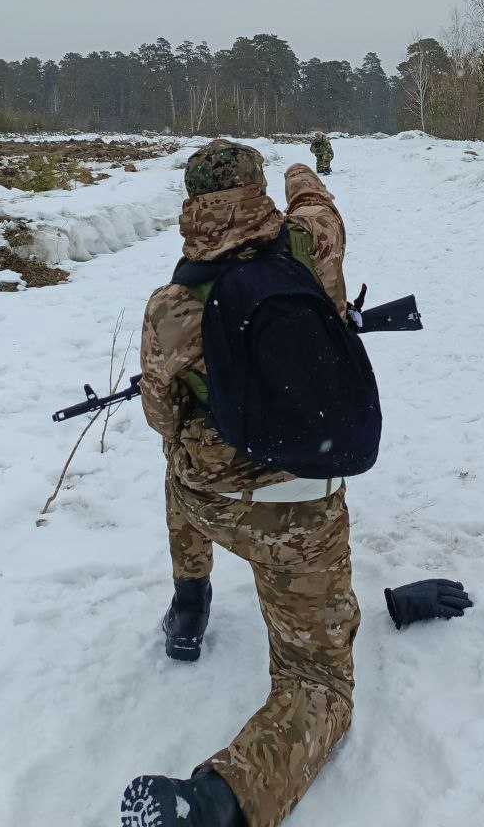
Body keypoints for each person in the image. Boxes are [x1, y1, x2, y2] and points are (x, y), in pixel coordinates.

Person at [121, 140, 359, 827]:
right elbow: (319, 204)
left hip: (214, 507)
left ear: (192, 204)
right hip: (301, 515)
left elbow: (161, 417)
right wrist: (299, 173)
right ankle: (219, 802)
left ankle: (189, 602)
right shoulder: (312, 243)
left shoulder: (170, 304)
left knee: (176, 466)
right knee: (317, 682)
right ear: (258, 191)